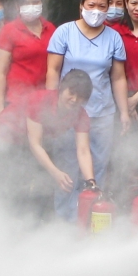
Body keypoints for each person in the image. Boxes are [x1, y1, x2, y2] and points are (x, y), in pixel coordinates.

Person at [46, 0, 132, 191]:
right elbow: (53, 71)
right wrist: (51, 106)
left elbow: (118, 78)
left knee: (99, 165)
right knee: (68, 164)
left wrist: (124, 112)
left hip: (101, 112)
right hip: (68, 111)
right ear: (81, 6)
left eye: (102, 6)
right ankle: (66, 217)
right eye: (91, 5)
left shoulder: (114, 38)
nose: (96, 10)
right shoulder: (64, 33)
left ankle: (93, 213)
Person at [27, 71, 97, 217]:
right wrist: (55, 172)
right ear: (61, 88)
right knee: (16, 189)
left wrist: (91, 182)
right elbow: (34, 143)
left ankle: (39, 229)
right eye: (71, 93)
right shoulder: (40, 101)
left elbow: (83, 150)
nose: (74, 100)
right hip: (9, 139)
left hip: (39, 142)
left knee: (44, 190)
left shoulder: (81, 115)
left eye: (81, 97)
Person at [0, 0, 55, 134]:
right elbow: (0, 73)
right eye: (26, 3)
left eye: (35, 2)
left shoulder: (51, 28)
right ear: (17, 6)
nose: (32, 6)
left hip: (43, 101)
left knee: (40, 144)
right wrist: (0, 107)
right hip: (17, 101)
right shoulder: (9, 30)